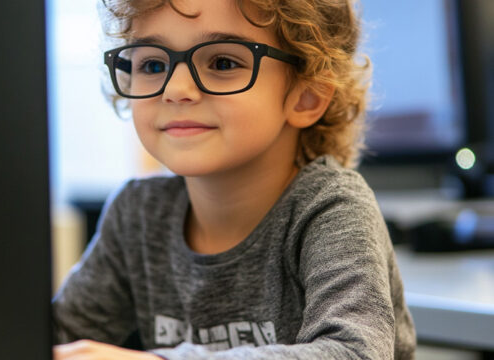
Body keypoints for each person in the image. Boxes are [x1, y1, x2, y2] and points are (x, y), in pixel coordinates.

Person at [52, 0, 416, 359]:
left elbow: (354, 353)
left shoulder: (330, 209)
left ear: (307, 96)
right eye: (152, 63)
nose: (175, 89)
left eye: (223, 63)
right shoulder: (140, 214)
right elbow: (54, 333)